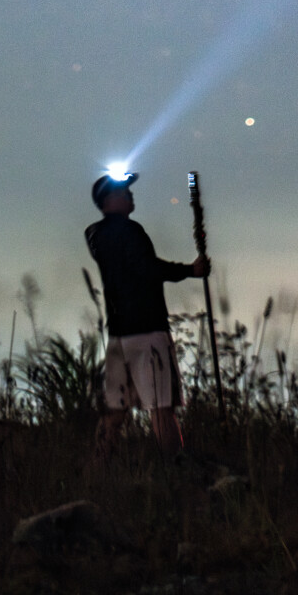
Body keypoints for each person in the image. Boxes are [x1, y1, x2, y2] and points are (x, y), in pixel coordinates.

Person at [84, 171, 208, 459]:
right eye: (123, 191)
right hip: (149, 333)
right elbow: (148, 268)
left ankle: (100, 469)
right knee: (162, 409)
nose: (130, 194)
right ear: (108, 200)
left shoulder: (95, 235)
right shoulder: (130, 231)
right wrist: (191, 271)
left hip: (118, 337)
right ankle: (176, 468)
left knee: (115, 410)